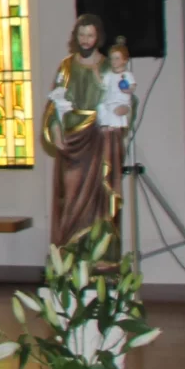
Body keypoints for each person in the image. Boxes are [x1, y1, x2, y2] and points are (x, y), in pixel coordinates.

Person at [42, 14, 127, 246]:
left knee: (100, 200)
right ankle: (70, 257)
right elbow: (54, 104)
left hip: (101, 141)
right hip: (72, 145)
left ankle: (101, 260)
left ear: (98, 37)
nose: (86, 40)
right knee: (70, 199)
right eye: (82, 35)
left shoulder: (109, 66)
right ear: (76, 37)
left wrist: (121, 110)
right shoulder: (67, 66)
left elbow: (125, 98)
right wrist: (56, 130)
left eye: (90, 35)